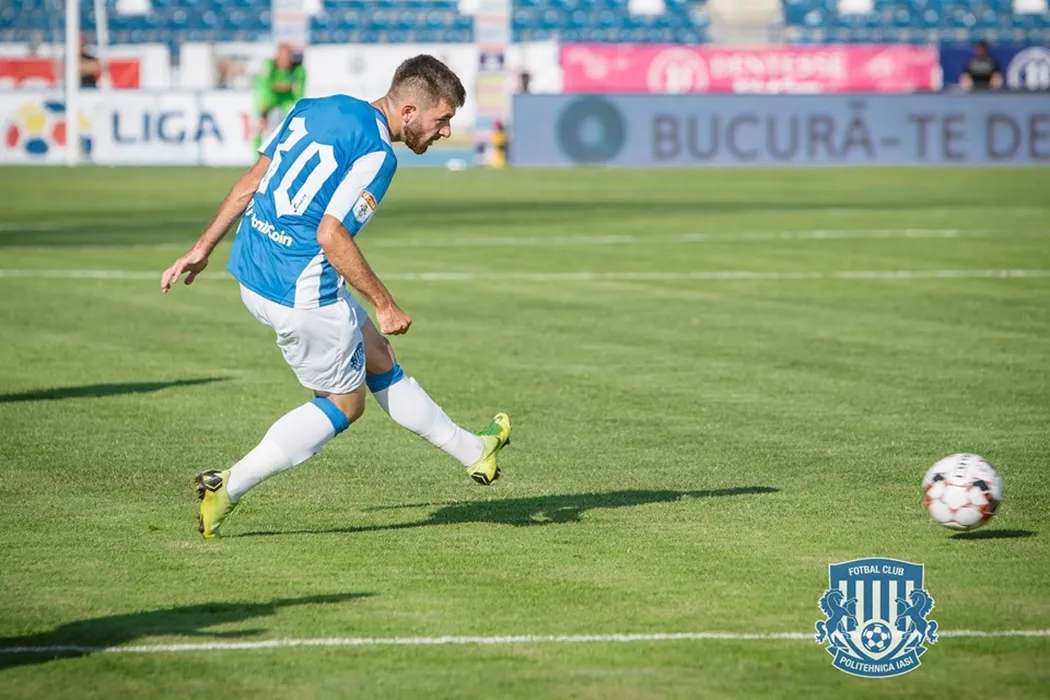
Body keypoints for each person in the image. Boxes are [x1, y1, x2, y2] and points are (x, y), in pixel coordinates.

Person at [160, 55, 512, 540]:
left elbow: (250, 183)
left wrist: (201, 248)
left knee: (378, 356)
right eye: (443, 119)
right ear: (409, 111)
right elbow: (332, 235)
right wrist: (384, 303)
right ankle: (229, 486)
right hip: (300, 292)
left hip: (252, 270)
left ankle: (474, 452)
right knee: (345, 405)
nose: (446, 131)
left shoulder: (313, 107)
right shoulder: (378, 155)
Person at [253, 44, 306, 149]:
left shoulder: (297, 70)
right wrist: (263, 112)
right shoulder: (269, 66)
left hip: (287, 98)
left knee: (296, 121)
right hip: (269, 98)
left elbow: (299, 94)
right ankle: (257, 155)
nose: (285, 60)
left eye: (288, 56)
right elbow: (265, 88)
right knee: (259, 125)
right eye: (283, 56)